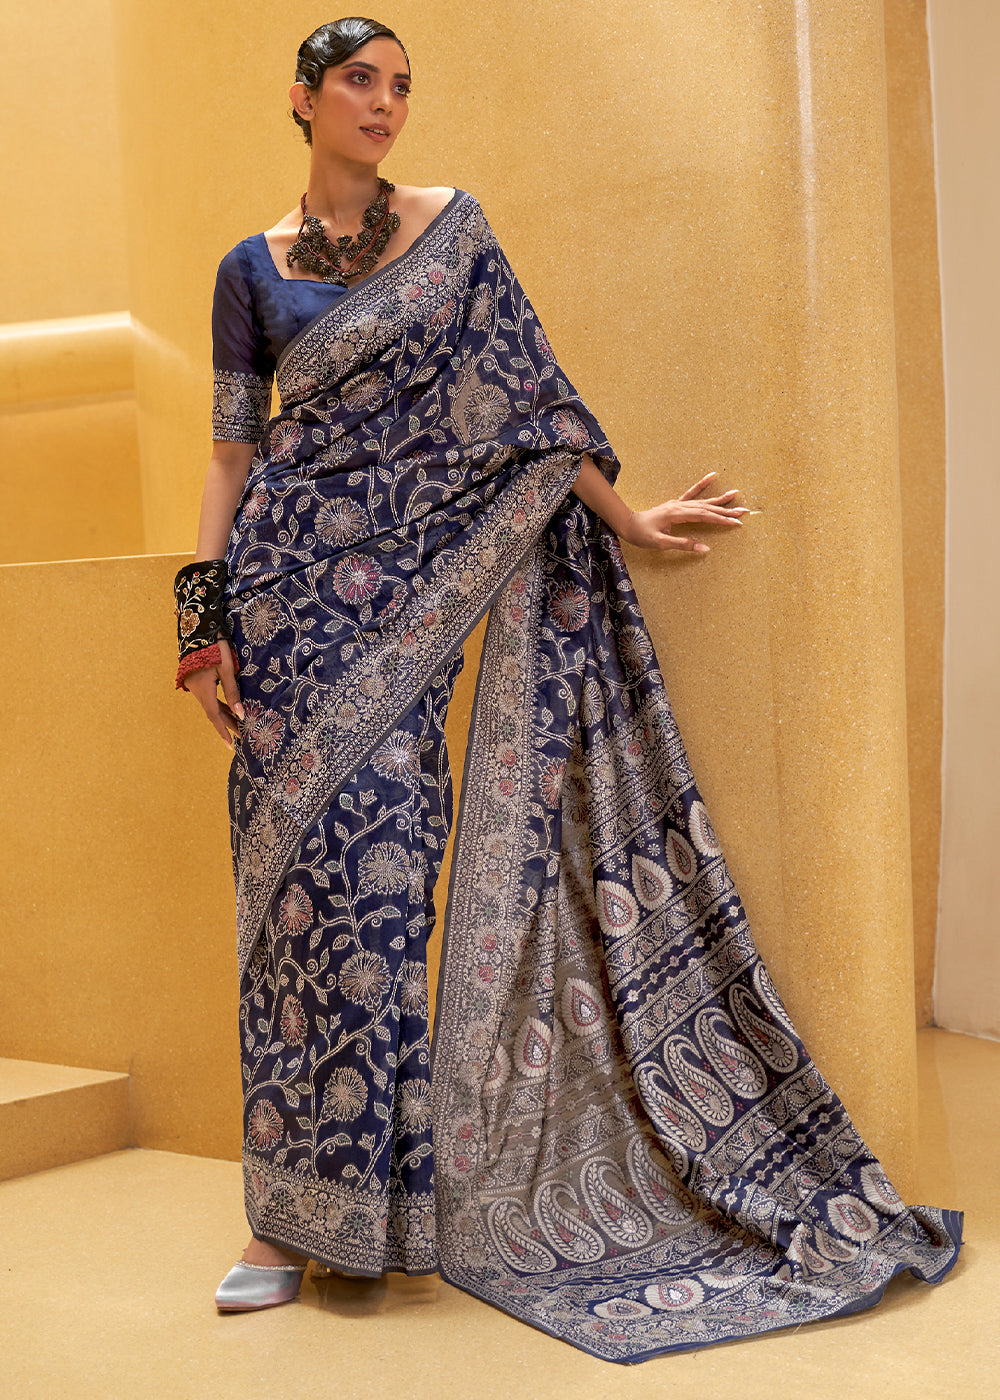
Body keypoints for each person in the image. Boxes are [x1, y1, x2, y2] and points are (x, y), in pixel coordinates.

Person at [174, 16, 962, 1363]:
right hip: (287, 602)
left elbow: (529, 404)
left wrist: (627, 515)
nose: (385, 103)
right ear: (303, 99)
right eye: (359, 81)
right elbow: (232, 459)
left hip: (414, 602)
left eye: (401, 84)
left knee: (381, 886)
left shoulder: (454, 233)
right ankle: (281, 1224)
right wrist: (202, 628)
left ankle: (378, 1214)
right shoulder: (249, 271)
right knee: (292, 912)